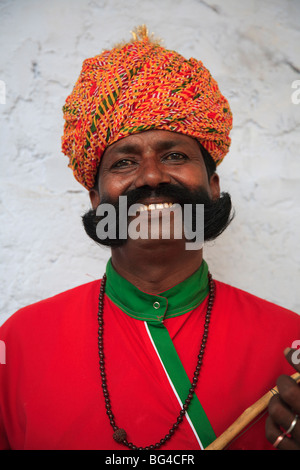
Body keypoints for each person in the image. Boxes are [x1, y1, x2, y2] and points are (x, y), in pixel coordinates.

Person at [0, 26, 299, 451]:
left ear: (212, 186)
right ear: (96, 198)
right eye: (124, 161)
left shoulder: (288, 344)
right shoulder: (19, 344)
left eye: (175, 155)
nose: (153, 176)